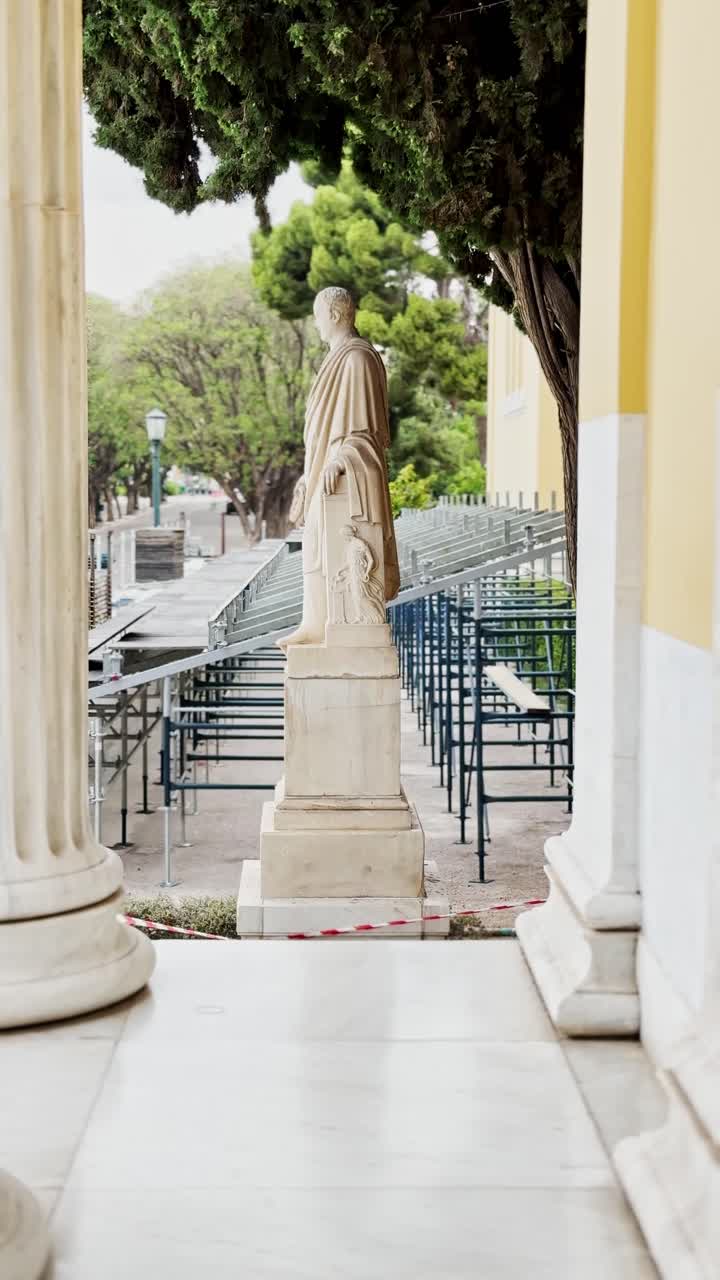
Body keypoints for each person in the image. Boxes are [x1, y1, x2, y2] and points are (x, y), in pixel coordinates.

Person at [280, 286, 399, 648]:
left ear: (334, 314)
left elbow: (364, 430)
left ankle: (326, 623)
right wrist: (312, 470)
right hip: (323, 465)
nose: (315, 325)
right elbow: (325, 430)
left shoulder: (357, 359)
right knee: (313, 540)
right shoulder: (337, 358)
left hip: (344, 466)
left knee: (321, 537)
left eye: (317, 317)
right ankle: (314, 622)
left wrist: (341, 458)